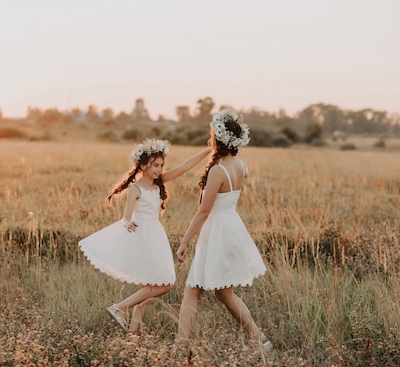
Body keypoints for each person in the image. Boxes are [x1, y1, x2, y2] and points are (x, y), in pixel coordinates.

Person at [79, 139, 210, 333]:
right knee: (164, 285)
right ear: (142, 165)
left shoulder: (159, 183)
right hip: (144, 237)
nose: (159, 169)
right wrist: (127, 222)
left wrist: (208, 150)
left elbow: (184, 166)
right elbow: (126, 217)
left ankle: (133, 335)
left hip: (156, 236)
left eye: (161, 165)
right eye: (154, 165)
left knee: (147, 288)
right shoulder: (135, 188)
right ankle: (119, 307)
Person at [175, 109, 271, 352]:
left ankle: (180, 345)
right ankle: (258, 338)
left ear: (218, 139)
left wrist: (185, 241)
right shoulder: (240, 164)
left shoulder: (218, 172)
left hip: (217, 229)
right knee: (223, 292)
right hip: (231, 226)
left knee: (193, 288)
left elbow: (203, 211)